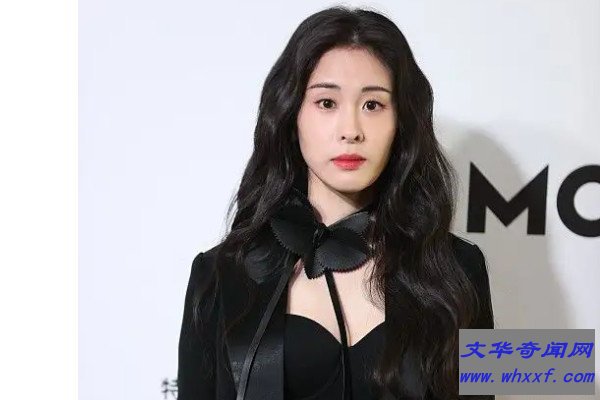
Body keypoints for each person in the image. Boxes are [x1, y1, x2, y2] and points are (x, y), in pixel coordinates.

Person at [177, 5, 494, 400]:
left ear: (401, 122)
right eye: (327, 103)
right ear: (291, 114)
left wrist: (564, 361)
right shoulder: (219, 273)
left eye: (373, 105)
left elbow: (492, 391)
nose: (351, 131)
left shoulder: (459, 267)